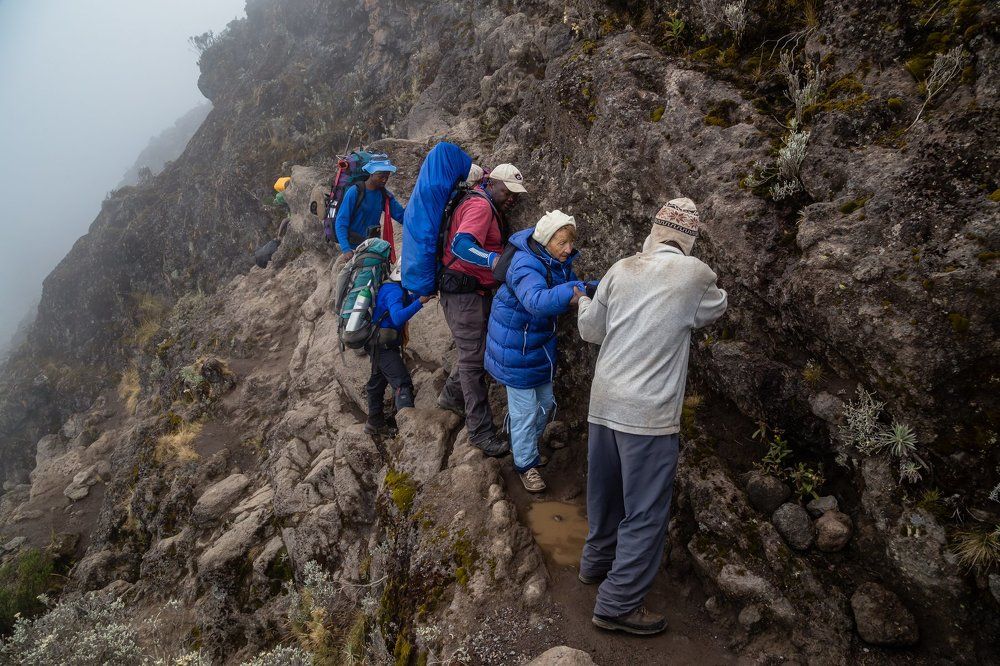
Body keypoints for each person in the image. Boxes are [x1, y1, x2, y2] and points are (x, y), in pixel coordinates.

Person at [576, 198, 728, 636]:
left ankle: (596, 566)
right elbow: (713, 309)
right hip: (648, 414)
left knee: (604, 493)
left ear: (654, 231)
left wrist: (583, 301)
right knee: (645, 511)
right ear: (688, 240)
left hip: (603, 404)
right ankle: (618, 604)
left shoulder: (622, 268)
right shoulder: (696, 275)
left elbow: (591, 331)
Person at [484, 210, 586, 492]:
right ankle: (525, 465)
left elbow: (573, 286)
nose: (569, 249)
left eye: (570, 242)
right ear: (545, 239)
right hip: (515, 350)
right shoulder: (526, 264)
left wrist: (604, 287)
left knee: (545, 403)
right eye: (562, 242)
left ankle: (521, 445)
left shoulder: (555, 261)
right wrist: (573, 293)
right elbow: (537, 301)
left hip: (535, 348)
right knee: (526, 410)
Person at [436, 164, 526, 457]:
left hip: (469, 293)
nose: (512, 198)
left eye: (516, 194)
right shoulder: (481, 207)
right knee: (475, 362)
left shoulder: (481, 201)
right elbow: (462, 245)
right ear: (492, 182)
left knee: (474, 351)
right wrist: (492, 261)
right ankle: (480, 431)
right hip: (464, 294)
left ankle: (451, 397)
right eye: (508, 191)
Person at [364, 261, 433, 436]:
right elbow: (397, 318)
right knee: (402, 383)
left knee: (377, 383)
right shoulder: (394, 291)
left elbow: (402, 304)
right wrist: (421, 302)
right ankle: (408, 431)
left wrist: (419, 297)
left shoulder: (393, 288)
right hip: (383, 346)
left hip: (378, 344)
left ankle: (375, 423)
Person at [336, 158, 405, 260]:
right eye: (381, 176)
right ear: (371, 174)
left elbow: (402, 216)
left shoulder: (384, 195)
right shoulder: (355, 192)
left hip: (373, 248)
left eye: (387, 176)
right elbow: (341, 222)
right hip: (354, 249)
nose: (384, 179)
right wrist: (346, 249)